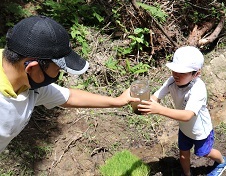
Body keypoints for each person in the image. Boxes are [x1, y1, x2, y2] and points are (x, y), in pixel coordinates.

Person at [0, 15, 139, 153]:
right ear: (32, 68)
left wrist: (118, 101)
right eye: (58, 69)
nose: (59, 74)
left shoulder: (28, 85)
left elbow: (69, 96)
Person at [137, 46, 226, 176]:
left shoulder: (198, 88)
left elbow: (187, 115)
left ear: (196, 73)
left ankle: (222, 162)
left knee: (204, 152)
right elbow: (155, 98)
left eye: (182, 72)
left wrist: (159, 109)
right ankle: (187, 174)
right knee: (183, 153)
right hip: (184, 129)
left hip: (200, 131)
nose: (176, 74)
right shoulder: (171, 82)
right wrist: (143, 105)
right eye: (174, 70)